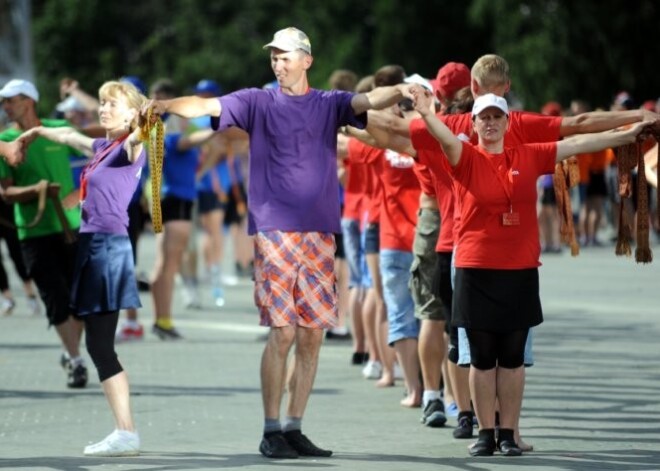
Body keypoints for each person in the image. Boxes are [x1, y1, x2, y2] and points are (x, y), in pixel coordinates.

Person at [144, 26, 416, 459]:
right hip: (275, 230)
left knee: (311, 335)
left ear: (307, 59)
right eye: (274, 56)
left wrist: (402, 89)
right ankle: (271, 429)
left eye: (285, 55)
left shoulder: (329, 104)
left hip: (320, 231)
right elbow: (206, 105)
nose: (278, 62)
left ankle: (294, 427)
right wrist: (165, 105)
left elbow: (367, 102)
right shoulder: (256, 100)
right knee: (284, 332)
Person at [413, 89, 650, 456]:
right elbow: (441, 135)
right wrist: (428, 112)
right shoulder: (464, 157)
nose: (490, 123)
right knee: (481, 356)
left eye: (496, 117)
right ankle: (485, 433)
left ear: (508, 123)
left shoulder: (528, 154)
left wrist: (629, 131)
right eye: (483, 118)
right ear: (473, 124)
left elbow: (582, 141)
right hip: (475, 268)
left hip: (519, 268)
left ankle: (507, 433)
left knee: (511, 357)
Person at [19, 80, 149, 456]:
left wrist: (143, 121)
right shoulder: (102, 147)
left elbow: (140, 136)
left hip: (107, 249)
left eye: (112, 104)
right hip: (94, 247)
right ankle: (125, 431)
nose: (104, 109)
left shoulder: (128, 148)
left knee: (100, 345)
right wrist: (40, 130)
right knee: (98, 344)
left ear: (129, 113)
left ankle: (126, 432)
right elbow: (72, 137)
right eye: (103, 103)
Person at [0, 79, 88, 389]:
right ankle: (77, 361)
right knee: (55, 297)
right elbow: (6, 193)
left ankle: (70, 351)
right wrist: (37, 190)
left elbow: (94, 152)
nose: (6, 105)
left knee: (81, 299)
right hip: (34, 234)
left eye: (11, 100)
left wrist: (78, 192)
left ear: (29, 101)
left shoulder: (56, 129)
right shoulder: (6, 140)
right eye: (4, 101)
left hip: (71, 227)